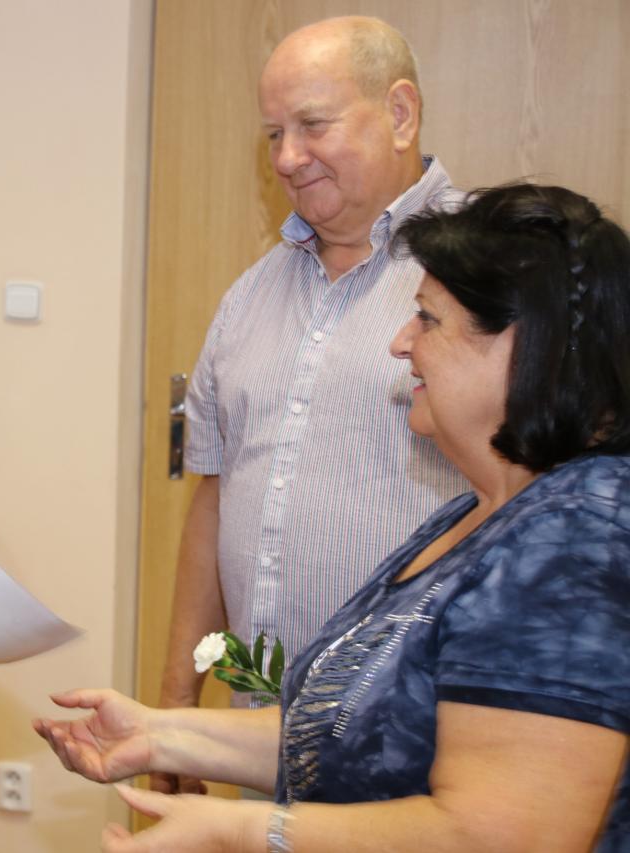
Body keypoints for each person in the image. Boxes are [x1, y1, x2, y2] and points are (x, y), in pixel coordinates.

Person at [36, 182, 630, 851]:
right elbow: (356, 730)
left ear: (525, 345)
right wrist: (160, 734)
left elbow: (498, 836)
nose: (401, 343)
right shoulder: (481, 512)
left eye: (428, 320)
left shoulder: (577, 540)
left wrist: (243, 829)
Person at [158, 16, 467, 793]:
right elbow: (215, 498)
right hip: (262, 744)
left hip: (427, 748)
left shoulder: (486, 273)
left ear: (400, 114)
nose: (287, 158)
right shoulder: (248, 296)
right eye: (273, 134)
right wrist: (176, 710)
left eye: (313, 125)